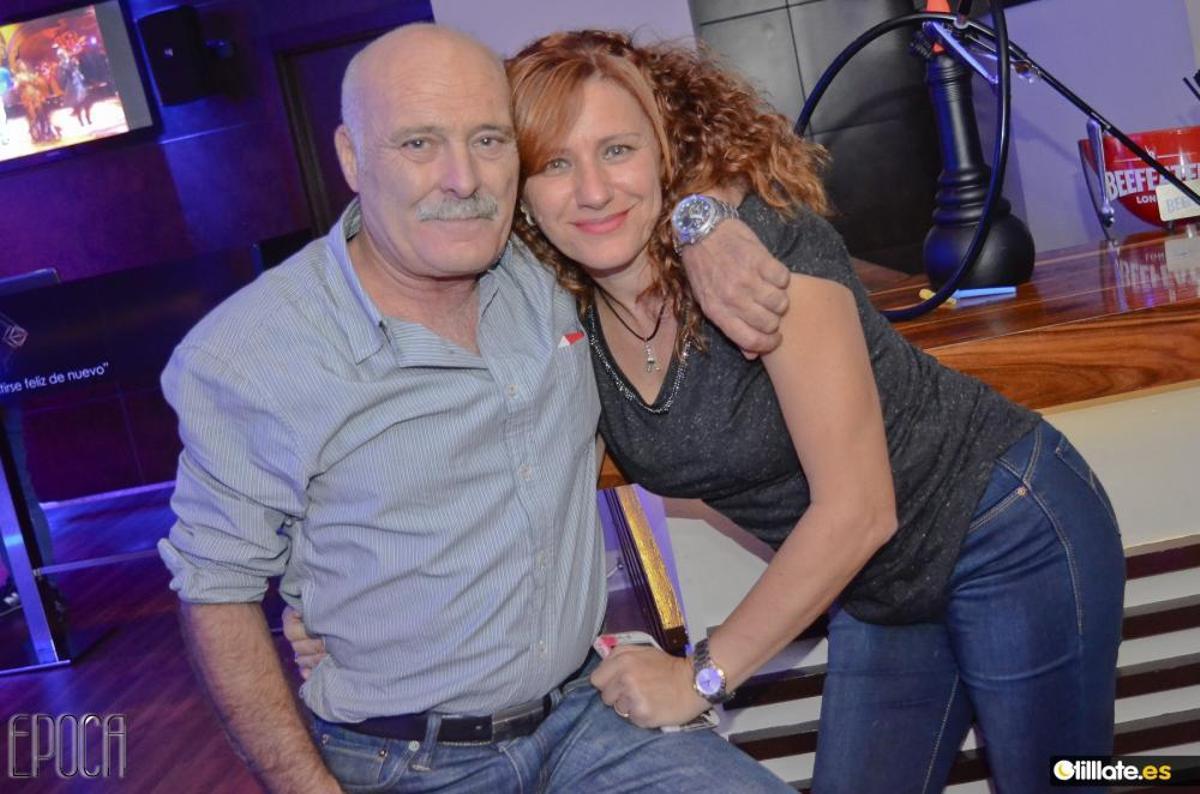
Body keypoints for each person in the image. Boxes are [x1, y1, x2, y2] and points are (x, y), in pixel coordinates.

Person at [296, 28, 1126, 793]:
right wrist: (360, 611)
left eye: (617, 150)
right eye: (555, 164)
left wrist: (701, 675)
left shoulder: (757, 254)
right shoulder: (559, 315)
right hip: (879, 589)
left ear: (665, 152)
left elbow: (860, 507)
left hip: (1005, 523)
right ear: (519, 188)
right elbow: (487, 471)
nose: (593, 190)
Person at [159, 23, 794, 794]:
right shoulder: (250, 356)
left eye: (488, 140)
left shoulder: (545, 264)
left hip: (582, 716)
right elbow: (215, 591)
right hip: (404, 759)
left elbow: (645, 167)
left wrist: (707, 224)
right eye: (418, 144)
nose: (462, 179)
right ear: (352, 158)